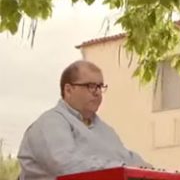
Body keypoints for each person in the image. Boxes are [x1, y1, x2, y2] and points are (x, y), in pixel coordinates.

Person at [17, 60, 150, 180]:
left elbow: (128, 160)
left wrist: (155, 172)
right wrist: (120, 169)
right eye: (91, 86)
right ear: (68, 90)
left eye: (100, 87)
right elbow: (67, 166)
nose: (97, 92)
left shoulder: (105, 131)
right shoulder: (50, 123)